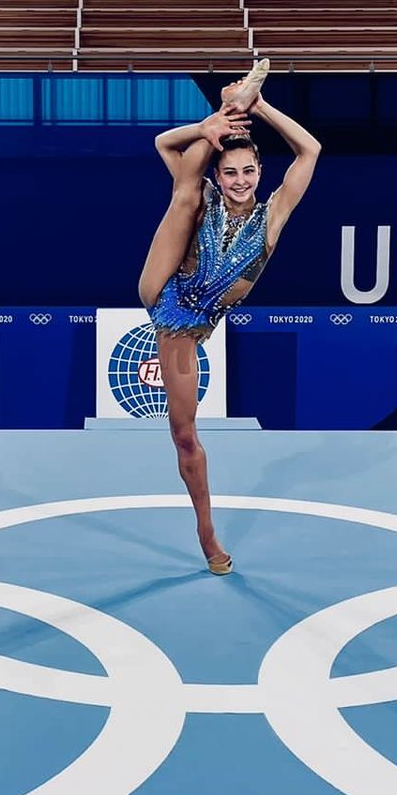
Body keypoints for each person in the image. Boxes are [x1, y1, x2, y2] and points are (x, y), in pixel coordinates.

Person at [135, 60, 322, 574]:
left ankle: (233, 107)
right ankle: (207, 533)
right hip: (168, 298)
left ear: (261, 173)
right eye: (230, 171)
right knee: (184, 194)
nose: (239, 180)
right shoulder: (207, 193)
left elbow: (311, 150)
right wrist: (207, 128)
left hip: (202, 319)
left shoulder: (274, 214)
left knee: (183, 434)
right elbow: (163, 146)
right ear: (222, 172)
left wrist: (259, 107)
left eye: (248, 171)